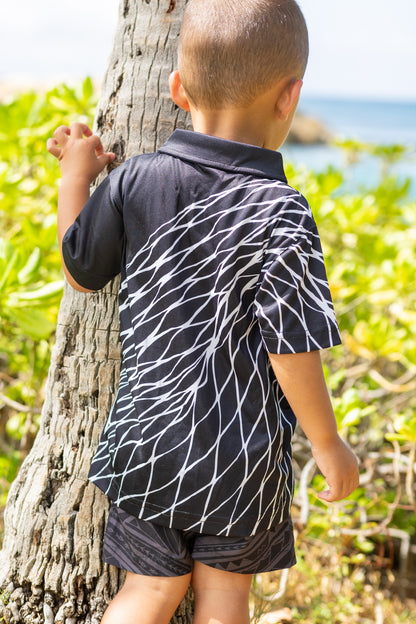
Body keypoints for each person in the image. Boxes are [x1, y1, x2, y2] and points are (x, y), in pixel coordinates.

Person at [47, 1, 359, 622]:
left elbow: (81, 272)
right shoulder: (283, 211)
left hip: (148, 442)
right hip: (242, 456)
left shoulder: (135, 181)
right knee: (224, 597)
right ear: (289, 97)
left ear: (176, 89)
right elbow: (292, 346)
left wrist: (74, 178)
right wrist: (328, 444)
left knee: (149, 592)